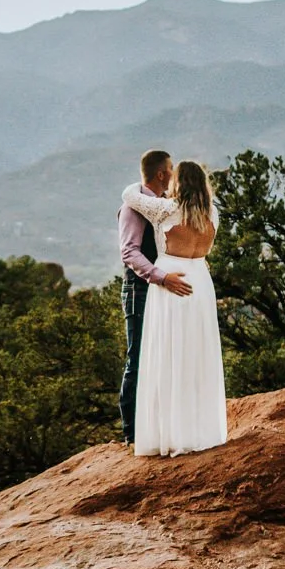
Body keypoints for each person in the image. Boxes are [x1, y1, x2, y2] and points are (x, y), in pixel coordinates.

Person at [122, 160, 228, 456]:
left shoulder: (166, 210)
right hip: (200, 281)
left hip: (171, 281)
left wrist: (138, 183)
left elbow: (130, 196)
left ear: (177, 183)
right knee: (197, 354)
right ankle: (200, 430)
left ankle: (168, 433)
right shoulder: (213, 214)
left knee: (169, 353)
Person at [118, 149, 190, 443]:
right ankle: (132, 433)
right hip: (141, 289)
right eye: (171, 169)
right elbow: (129, 252)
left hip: (161, 288)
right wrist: (161, 277)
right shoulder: (133, 208)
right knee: (138, 358)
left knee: (162, 355)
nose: (173, 174)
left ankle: (157, 425)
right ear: (162, 174)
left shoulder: (160, 205)